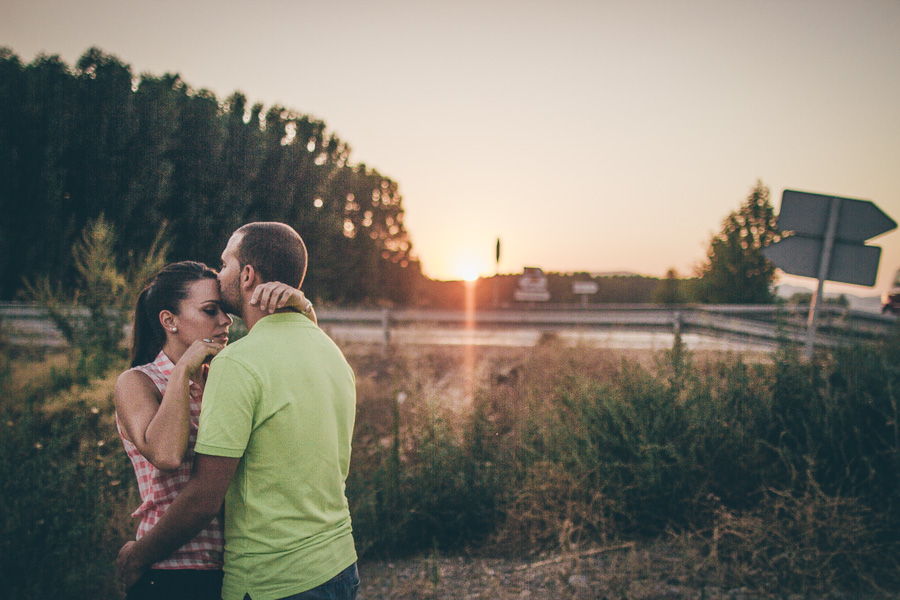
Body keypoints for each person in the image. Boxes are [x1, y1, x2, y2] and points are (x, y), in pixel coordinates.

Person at [117, 223, 359, 600]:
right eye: (208, 310)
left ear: (247, 274)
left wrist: (135, 558)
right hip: (187, 570)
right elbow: (166, 456)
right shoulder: (330, 352)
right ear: (169, 321)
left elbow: (203, 499)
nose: (222, 319)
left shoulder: (232, 369)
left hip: (262, 576)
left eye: (225, 263)